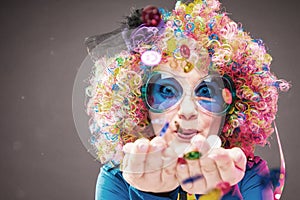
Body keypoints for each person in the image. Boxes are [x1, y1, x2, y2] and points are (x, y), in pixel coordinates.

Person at [83, 0, 290, 199]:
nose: (188, 110)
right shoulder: (119, 178)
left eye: (207, 92)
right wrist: (152, 194)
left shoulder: (250, 174)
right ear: (139, 106)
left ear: (233, 109)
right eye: (166, 90)